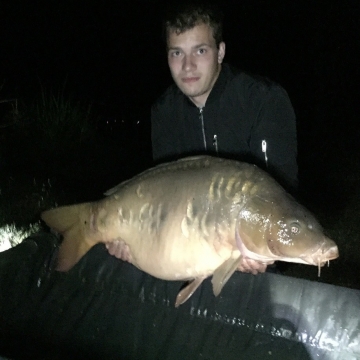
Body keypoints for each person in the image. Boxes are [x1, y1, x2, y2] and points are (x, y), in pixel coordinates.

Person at [151, 2, 298, 193]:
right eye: (177, 53)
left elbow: (278, 197)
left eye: (200, 51)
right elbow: (167, 191)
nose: (188, 66)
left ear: (220, 52)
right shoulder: (164, 111)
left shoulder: (263, 100)